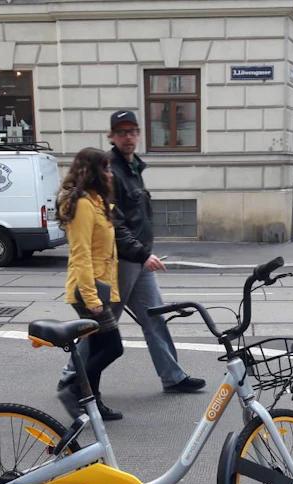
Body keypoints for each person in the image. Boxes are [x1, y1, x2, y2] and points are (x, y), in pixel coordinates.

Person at [58, 110, 206, 397]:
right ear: (111, 136)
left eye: (132, 131)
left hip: (138, 259)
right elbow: (115, 224)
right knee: (100, 325)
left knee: (155, 317)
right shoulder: (108, 170)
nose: (128, 137)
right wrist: (140, 254)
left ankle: (173, 376)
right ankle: (72, 375)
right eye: (122, 132)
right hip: (123, 262)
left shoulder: (134, 167)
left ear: (139, 134)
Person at [56, 147, 125, 421]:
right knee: (113, 347)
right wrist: (93, 299)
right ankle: (73, 388)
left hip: (98, 287)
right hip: (88, 291)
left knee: (98, 348)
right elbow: (81, 253)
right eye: (106, 168)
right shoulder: (84, 205)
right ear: (94, 172)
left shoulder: (96, 202)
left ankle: (92, 403)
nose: (110, 173)